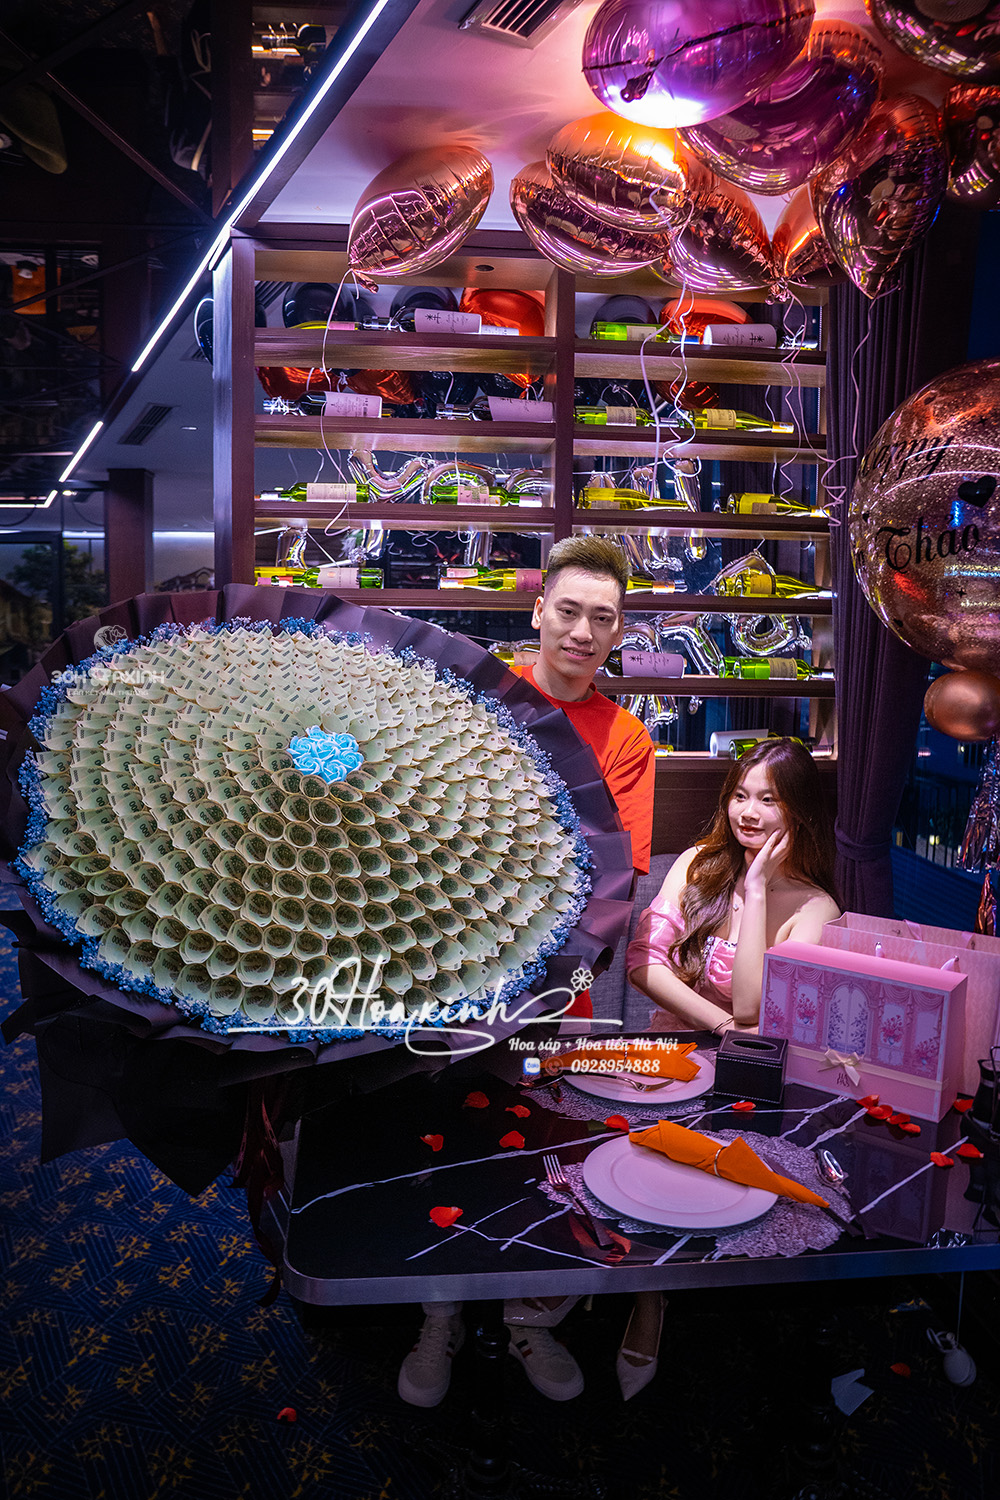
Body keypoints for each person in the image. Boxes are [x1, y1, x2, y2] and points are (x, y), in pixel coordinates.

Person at [398, 536, 656, 1407]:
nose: (583, 632)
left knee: (543, 1140)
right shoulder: (472, 695)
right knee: (441, 1134)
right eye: (569, 610)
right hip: (440, 961)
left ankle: (528, 1315)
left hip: (556, 975)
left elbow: (613, 874)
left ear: (618, 632)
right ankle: (438, 1312)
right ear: (538, 610)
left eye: (602, 618)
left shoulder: (626, 737)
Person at [614, 736, 841, 1397]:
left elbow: (752, 1006)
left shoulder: (817, 908)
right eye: (741, 795)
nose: (748, 812)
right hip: (666, 1059)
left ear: (799, 810)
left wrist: (759, 890)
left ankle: (654, 1294)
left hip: (747, 1085)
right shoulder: (697, 863)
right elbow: (643, 964)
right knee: (620, 1170)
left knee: (697, 1191)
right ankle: (632, 1287)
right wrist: (714, 1027)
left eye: (769, 799)